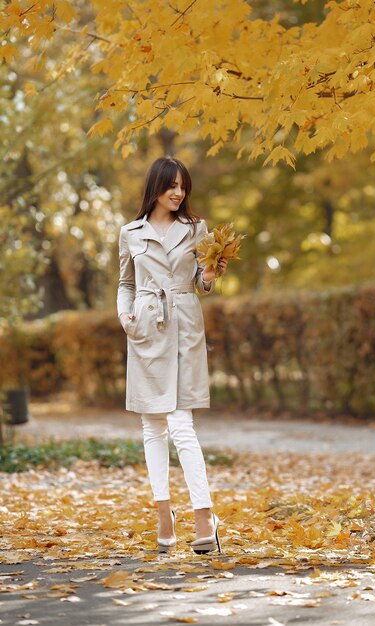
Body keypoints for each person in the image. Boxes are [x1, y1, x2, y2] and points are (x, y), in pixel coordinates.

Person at [117, 156, 228, 554]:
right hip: (146, 328)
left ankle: (203, 515)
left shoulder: (196, 229)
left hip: (183, 326)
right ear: (156, 188)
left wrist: (211, 276)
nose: (179, 192)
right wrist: (125, 317)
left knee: (181, 424)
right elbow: (125, 284)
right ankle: (164, 513)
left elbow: (200, 281)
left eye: (183, 186)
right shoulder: (131, 232)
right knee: (152, 427)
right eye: (171, 186)